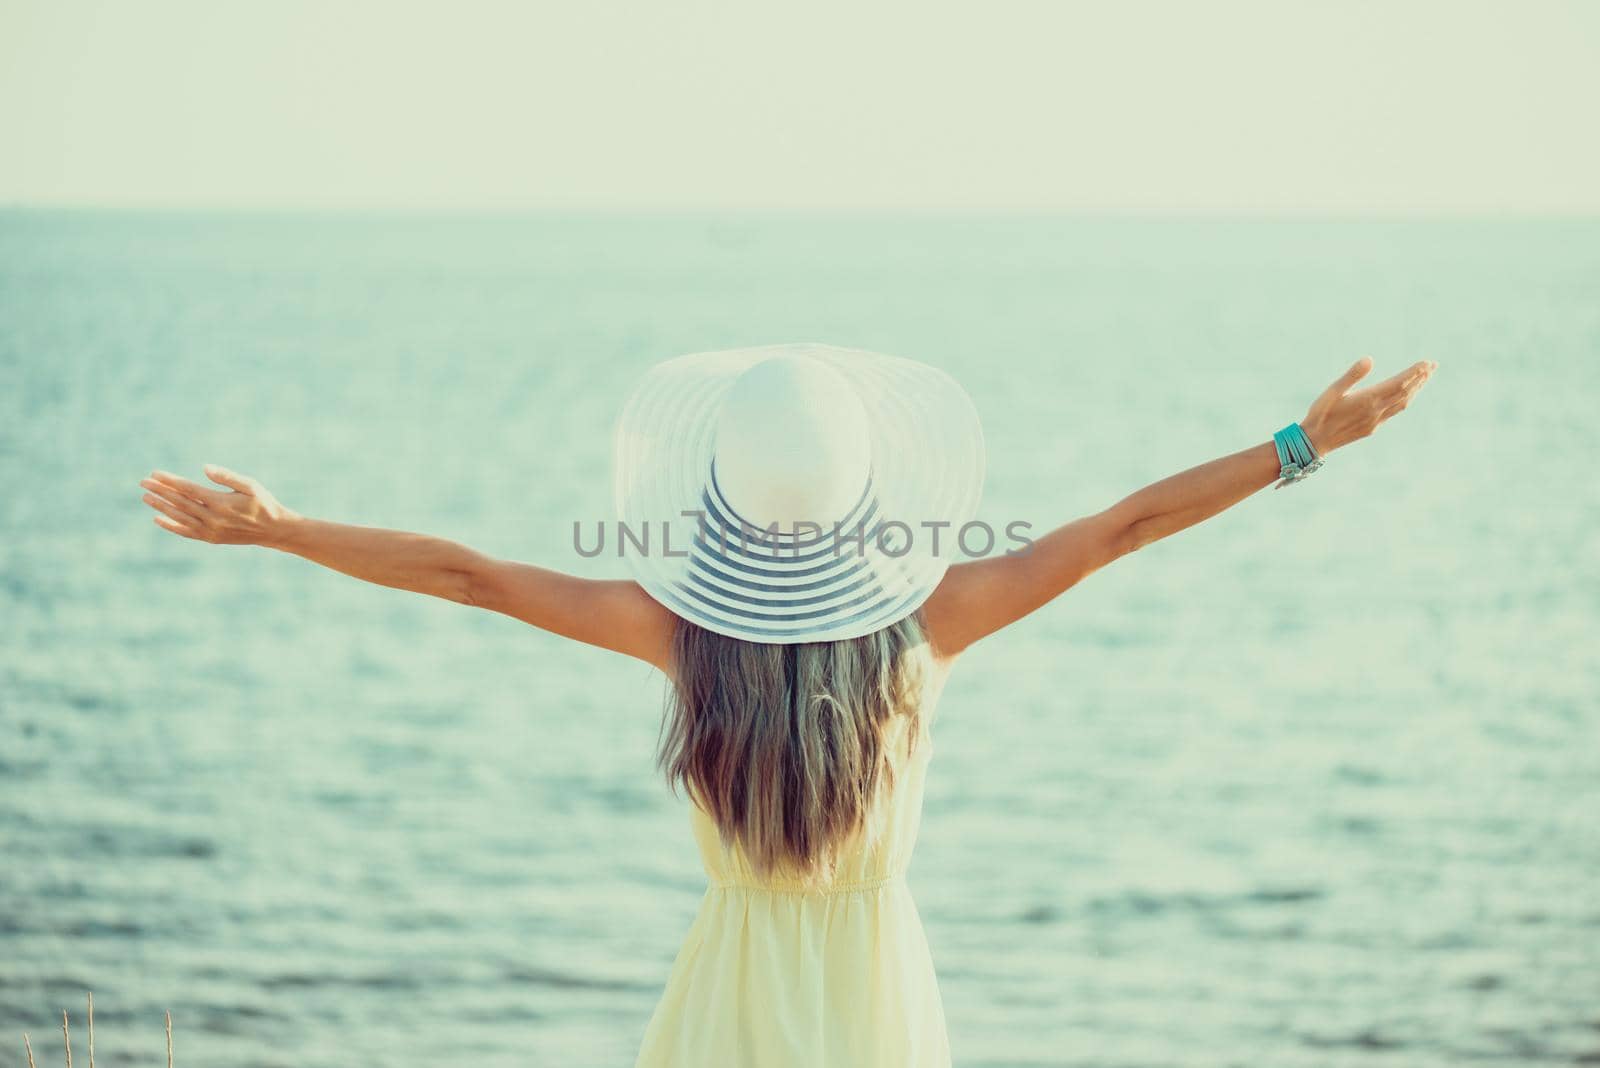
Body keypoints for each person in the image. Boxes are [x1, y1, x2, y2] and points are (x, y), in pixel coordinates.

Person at [138, 343, 1436, 1067]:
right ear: (871, 494)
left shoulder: (677, 633)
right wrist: (1300, 445)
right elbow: (1123, 528)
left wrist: (286, 531)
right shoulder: (936, 621)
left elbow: (471, 576)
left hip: (728, 992)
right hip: (878, 989)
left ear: (719, 499)